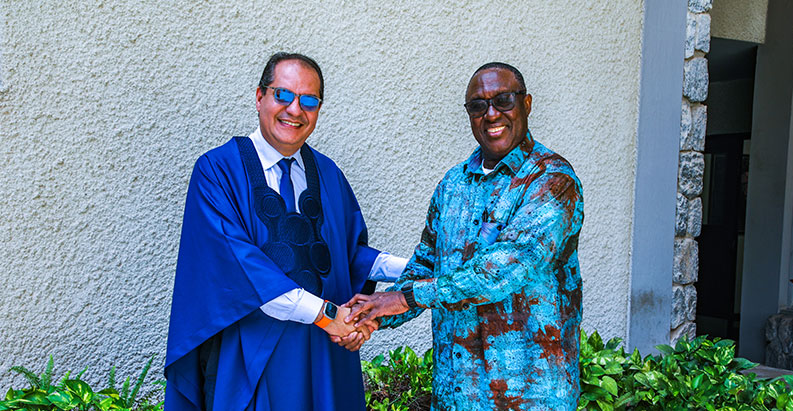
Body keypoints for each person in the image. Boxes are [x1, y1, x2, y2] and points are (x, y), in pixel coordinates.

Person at [164, 52, 405, 410]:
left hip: (327, 356)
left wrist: (422, 266)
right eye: (283, 95)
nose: (295, 109)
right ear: (259, 96)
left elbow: (348, 256)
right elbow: (240, 269)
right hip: (254, 356)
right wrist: (329, 316)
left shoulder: (328, 173)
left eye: (309, 100)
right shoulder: (217, 171)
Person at [345, 62, 584, 410]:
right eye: (478, 105)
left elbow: (501, 271)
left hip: (529, 396)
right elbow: (425, 265)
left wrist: (405, 299)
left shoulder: (552, 180)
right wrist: (371, 315)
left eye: (503, 100)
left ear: (526, 104)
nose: (491, 114)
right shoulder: (453, 185)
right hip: (456, 394)